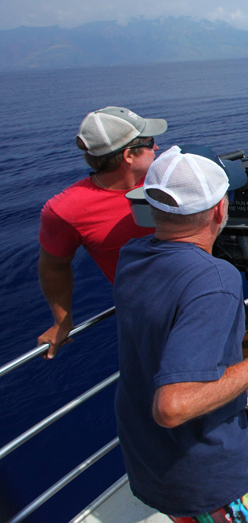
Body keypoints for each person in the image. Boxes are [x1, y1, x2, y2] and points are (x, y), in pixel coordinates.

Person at [114, 144, 248, 522]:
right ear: (220, 210)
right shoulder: (214, 279)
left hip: (149, 460)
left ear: (154, 208)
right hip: (209, 471)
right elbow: (173, 406)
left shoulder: (133, 255)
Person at [37, 106, 165, 359]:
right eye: (150, 143)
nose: (158, 148)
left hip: (206, 292)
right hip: (152, 319)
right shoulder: (66, 210)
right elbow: (53, 266)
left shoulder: (168, 175)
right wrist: (62, 321)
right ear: (129, 155)